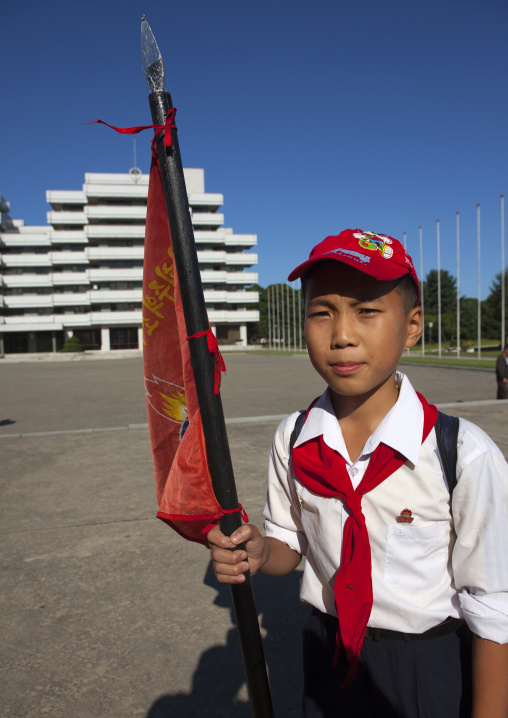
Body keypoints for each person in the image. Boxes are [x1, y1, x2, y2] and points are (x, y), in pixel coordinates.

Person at [208, 229, 508, 718]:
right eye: (321, 311)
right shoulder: (294, 437)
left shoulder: (462, 454)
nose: (342, 334)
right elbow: (291, 546)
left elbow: (495, 609)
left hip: (425, 666)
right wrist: (261, 551)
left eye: (367, 310)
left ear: (412, 326)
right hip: (327, 653)